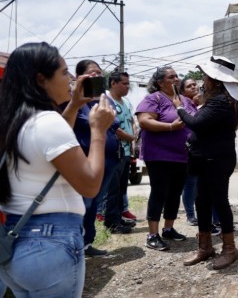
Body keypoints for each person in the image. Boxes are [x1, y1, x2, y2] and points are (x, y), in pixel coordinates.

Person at [0, 42, 115, 296]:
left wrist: (73, 106)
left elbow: (47, 148)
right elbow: (90, 185)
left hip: (15, 242)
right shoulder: (48, 121)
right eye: (64, 73)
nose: (71, 80)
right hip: (50, 243)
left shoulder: (15, 120)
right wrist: (98, 131)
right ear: (41, 79)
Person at [176, 56, 238, 270]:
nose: (202, 79)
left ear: (213, 79)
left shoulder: (221, 101)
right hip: (206, 158)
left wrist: (180, 108)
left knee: (219, 201)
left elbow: (196, 123)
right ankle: (205, 247)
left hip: (216, 159)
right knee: (201, 200)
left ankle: (230, 249)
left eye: (205, 76)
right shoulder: (218, 99)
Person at [136, 66, 197, 251]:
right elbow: (144, 121)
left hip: (182, 155)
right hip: (159, 155)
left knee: (175, 193)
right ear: (160, 82)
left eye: (177, 76)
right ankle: (152, 235)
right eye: (171, 77)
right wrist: (170, 127)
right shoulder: (153, 98)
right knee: (159, 192)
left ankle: (168, 228)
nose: (176, 79)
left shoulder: (185, 100)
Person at [72, 60, 123, 256]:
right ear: (80, 77)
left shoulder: (104, 99)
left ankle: (87, 243)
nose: (97, 76)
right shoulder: (75, 100)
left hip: (109, 161)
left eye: (100, 73)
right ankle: (76, 245)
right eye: (92, 73)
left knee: (94, 205)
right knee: (84, 204)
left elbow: (114, 121)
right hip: (86, 160)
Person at [102, 71, 138, 234]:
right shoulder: (106, 101)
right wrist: (130, 137)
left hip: (125, 152)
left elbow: (131, 121)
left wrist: (133, 139)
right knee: (113, 189)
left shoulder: (125, 102)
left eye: (127, 83)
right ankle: (112, 222)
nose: (127, 86)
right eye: (124, 83)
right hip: (113, 152)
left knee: (121, 188)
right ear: (113, 84)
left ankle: (117, 218)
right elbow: (112, 127)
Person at [179, 77, 201, 227]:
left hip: (200, 148)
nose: (194, 87)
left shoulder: (196, 103)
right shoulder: (183, 103)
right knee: (190, 183)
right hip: (188, 149)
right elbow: (192, 120)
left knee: (198, 184)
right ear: (183, 91)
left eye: (195, 84)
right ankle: (190, 214)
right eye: (189, 86)